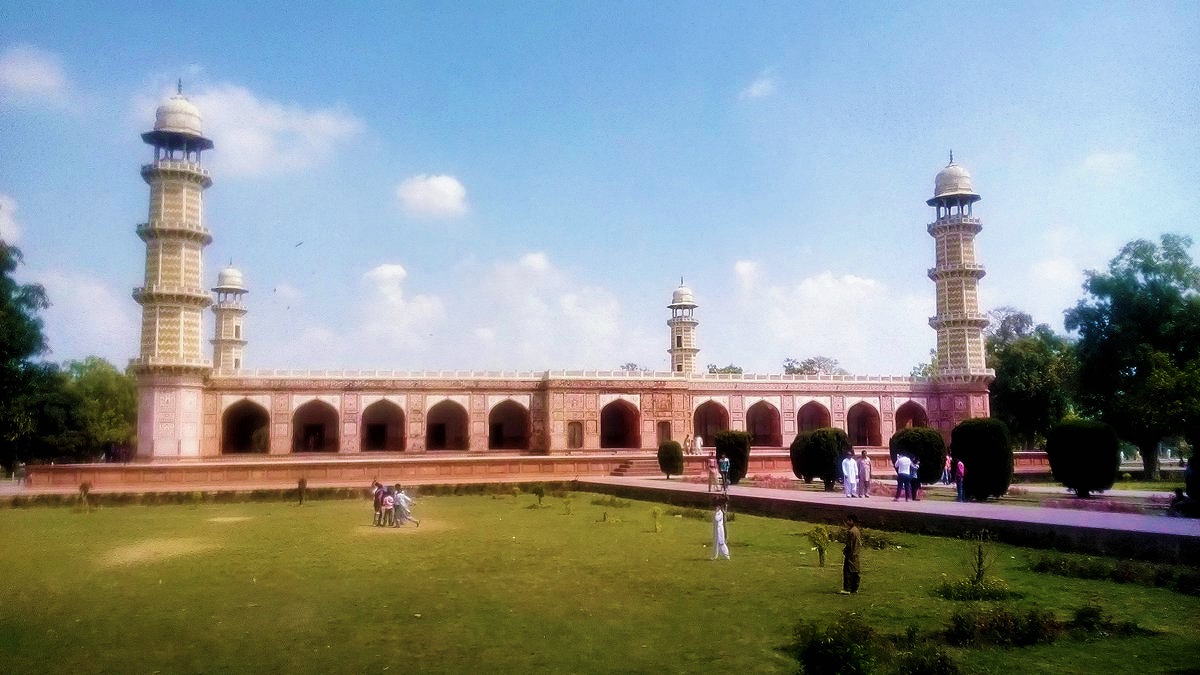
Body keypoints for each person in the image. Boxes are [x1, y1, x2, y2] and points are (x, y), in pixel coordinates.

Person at [839, 514, 862, 594]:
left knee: (848, 571)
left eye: (849, 520)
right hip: (856, 553)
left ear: (853, 521)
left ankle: (847, 589)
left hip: (851, 554)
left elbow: (850, 544)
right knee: (855, 571)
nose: (847, 522)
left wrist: (846, 552)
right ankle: (854, 588)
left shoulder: (851, 532)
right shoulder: (856, 530)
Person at [711, 495, 730, 560]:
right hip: (718, 527)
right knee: (718, 542)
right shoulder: (720, 510)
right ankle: (721, 555)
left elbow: (716, 518)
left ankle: (724, 555)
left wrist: (718, 511)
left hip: (719, 528)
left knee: (719, 542)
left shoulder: (719, 512)